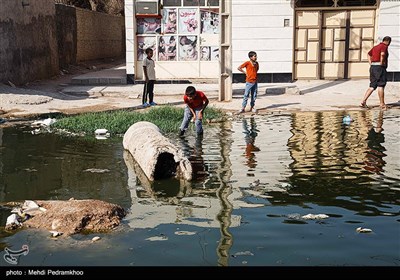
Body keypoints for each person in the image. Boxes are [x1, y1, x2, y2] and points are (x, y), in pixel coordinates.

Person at [360, 36, 391, 110]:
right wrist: (381, 62)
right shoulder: (384, 46)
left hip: (373, 68)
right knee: (381, 85)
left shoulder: (375, 47)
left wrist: (370, 63)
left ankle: (363, 101)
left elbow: (368, 54)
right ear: (388, 41)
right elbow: (382, 54)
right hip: (379, 68)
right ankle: (382, 104)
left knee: (372, 86)